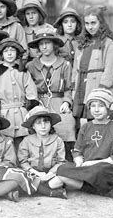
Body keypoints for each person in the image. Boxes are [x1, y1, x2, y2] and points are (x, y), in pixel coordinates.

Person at [55, 88, 113, 199]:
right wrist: (79, 162)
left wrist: (91, 164)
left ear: (108, 108)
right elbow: (77, 151)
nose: (96, 110)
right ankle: (105, 191)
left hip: (108, 169)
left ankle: (89, 183)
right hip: (88, 169)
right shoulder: (86, 127)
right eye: (93, 106)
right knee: (61, 169)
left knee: (100, 170)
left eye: (101, 106)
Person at [26, 26, 76, 161]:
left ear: (54, 44)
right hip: (39, 103)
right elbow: (28, 88)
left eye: (47, 43)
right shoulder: (31, 66)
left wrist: (67, 101)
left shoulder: (65, 64)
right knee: (39, 126)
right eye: (41, 44)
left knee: (67, 124)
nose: (44, 47)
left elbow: (68, 88)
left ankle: (67, 163)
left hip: (59, 101)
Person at [0, 38, 39, 149]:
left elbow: (32, 94)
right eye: (6, 51)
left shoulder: (23, 71)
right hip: (4, 113)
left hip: (21, 113)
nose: (9, 53)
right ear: (1, 54)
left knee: (23, 144)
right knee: (5, 143)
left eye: (12, 50)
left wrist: (28, 111)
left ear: (17, 53)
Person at [73, 6, 113, 123]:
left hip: (98, 85)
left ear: (101, 23)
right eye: (87, 23)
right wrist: (74, 84)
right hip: (83, 84)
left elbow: (110, 69)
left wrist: (102, 89)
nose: (90, 27)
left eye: (93, 23)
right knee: (89, 118)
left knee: (100, 116)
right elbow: (75, 66)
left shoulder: (107, 43)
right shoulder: (83, 42)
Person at [18, 106, 67, 199]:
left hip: (51, 174)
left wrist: (50, 174)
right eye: (38, 123)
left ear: (50, 124)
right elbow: (23, 162)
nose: (43, 126)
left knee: (60, 179)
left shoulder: (57, 140)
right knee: (20, 178)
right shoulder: (26, 141)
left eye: (46, 122)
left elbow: (61, 162)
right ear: (33, 126)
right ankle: (50, 192)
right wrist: (36, 173)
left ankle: (38, 188)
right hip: (32, 173)